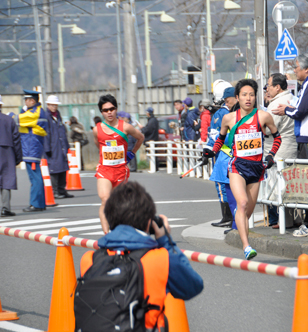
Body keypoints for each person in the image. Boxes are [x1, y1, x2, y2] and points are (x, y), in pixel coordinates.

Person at [78, 181, 203, 331]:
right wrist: (165, 240)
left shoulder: (90, 259)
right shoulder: (158, 259)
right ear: (149, 223)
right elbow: (192, 287)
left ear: (109, 219)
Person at [204, 79, 281, 260]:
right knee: (243, 203)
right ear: (237, 98)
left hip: (256, 168)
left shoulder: (263, 116)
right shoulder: (228, 118)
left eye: (252, 95)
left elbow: (278, 137)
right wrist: (211, 152)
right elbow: (220, 140)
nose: (248, 98)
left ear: (256, 97)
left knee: (247, 211)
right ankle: (246, 246)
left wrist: (270, 156)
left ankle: (241, 236)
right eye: (244, 95)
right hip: (237, 166)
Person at [272, 54, 308, 236]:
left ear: (306, 69)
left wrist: (286, 109)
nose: (295, 71)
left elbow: (301, 111)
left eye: (297, 68)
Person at [93, 94, 144, 234]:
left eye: (112, 109)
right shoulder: (97, 129)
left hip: (121, 170)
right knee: (105, 199)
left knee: (117, 203)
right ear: (101, 112)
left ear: (116, 109)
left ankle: (119, 229)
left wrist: (132, 153)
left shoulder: (125, 127)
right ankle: (107, 235)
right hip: (104, 169)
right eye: (105, 110)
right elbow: (99, 146)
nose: (109, 112)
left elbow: (140, 138)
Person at [264, 73, 296, 228]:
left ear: (277, 87)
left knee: (279, 186)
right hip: (292, 145)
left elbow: (270, 129)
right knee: (290, 184)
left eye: (269, 85)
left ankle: (284, 221)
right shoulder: (291, 98)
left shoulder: (276, 103)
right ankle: (293, 219)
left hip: (278, 149)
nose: (267, 88)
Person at [207, 85, 238, 229]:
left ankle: (228, 218)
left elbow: (215, 136)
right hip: (234, 155)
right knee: (231, 187)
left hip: (223, 155)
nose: (226, 102)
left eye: (228, 99)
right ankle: (232, 219)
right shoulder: (241, 114)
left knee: (223, 187)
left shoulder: (222, 114)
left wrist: (209, 150)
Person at [15, 90, 50, 212]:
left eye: (27, 100)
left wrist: (8, 115)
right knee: (35, 177)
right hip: (31, 147)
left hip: (32, 148)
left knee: (35, 178)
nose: (25, 102)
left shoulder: (35, 112)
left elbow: (18, 119)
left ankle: (36, 204)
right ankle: (39, 203)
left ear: (32, 101)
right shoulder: (35, 111)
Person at [44, 95, 73, 199]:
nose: (54, 107)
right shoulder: (45, 116)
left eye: (55, 105)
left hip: (61, 146)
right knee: (54, 169)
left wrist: (66, 145)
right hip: (52, 147)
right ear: (48, 105)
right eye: (51, 105)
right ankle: (55, 191)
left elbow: (62, 131)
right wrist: (47, 148)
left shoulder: (58, 115)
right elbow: (45, 133)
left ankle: (62, 189)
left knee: (63, 168)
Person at [0, 95, 22, 217]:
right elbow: (16, 140)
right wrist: (18, 157)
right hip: (6, 151)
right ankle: (5, 208)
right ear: (1, 105)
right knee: (6, 180)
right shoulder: (9, 120)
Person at [141, 107, 159, 171]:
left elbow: (148, 130)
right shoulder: (153, 120)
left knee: (152, 154)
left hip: (151, 139)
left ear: (148, 113)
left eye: (146, 112)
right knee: (153, 154)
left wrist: (142, 128)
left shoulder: (152, 121)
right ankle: (154, 167)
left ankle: (154, 168)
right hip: (153, 139)